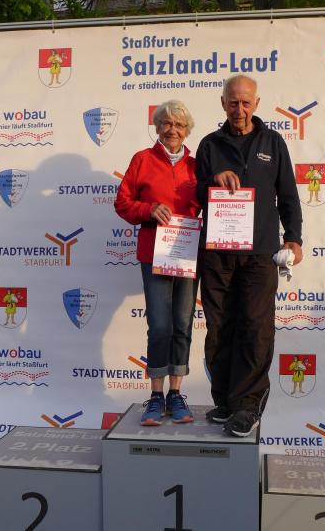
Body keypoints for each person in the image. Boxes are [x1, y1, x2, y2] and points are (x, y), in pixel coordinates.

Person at [196, 75, 303, 437]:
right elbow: (195, 195)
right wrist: (213, 179)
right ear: (222, 103)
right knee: (219, 328)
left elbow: (288, 195)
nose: (239, 109)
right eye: (233, 102)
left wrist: (294, 238)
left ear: (256, 104)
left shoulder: (273, 142)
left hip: (260, 253)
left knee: (255, 328)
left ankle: (247, 406)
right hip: (218, 253)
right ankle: (226, 401)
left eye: (245, 102)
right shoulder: (209, 145)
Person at [115, 100, 200, 426]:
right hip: (154, 255)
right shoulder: (142, 159)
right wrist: (148, 209)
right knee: (160, 326)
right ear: (157, 126)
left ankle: (176, 393)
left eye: (179, 124)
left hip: (187, 254)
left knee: (182, 324)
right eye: (166, 123)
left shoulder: (197, 165)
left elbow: (211, 203)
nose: (172, 130)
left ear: (187, 130)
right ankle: (155, 395)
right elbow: (122, 203)